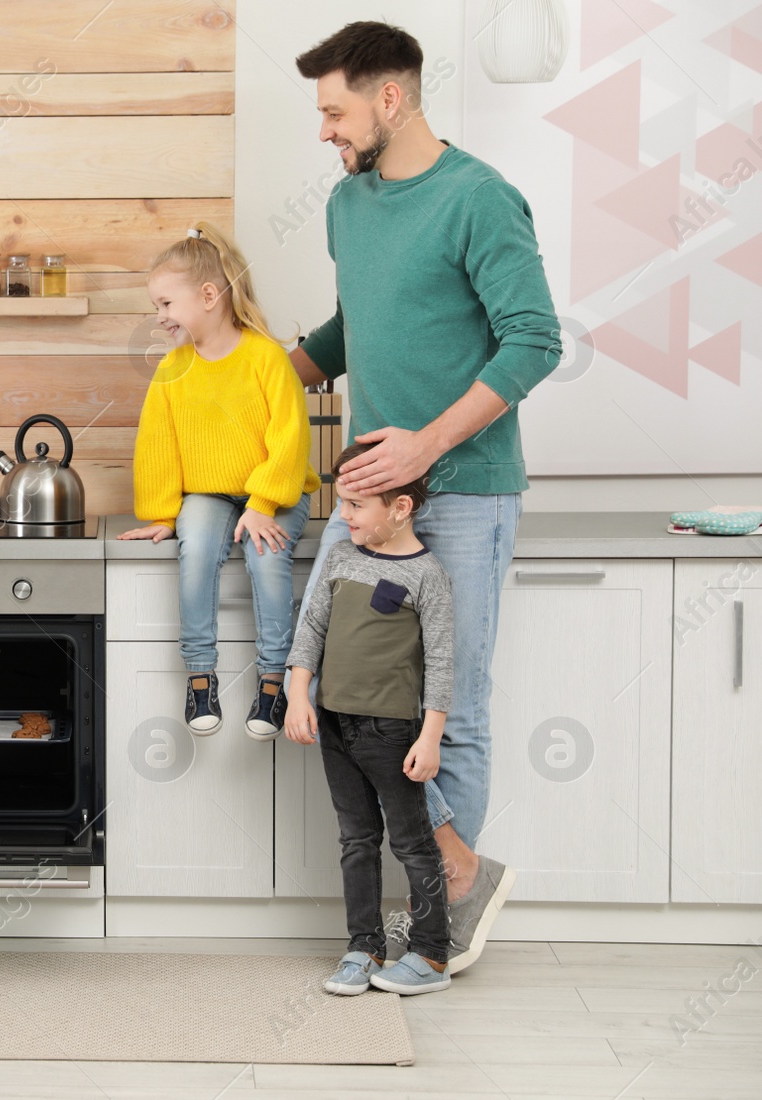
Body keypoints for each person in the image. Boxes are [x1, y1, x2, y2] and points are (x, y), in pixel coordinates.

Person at [288, 22, 559, 971]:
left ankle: (434, 923)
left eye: (334, 110)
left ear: (389, 99)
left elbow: (534, 342)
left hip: (466, 491)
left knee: (455, 704)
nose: (324, 130)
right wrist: (262, 374)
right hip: (370, 493)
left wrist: (425, 446)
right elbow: (354, 325)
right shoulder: (349, 204)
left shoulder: (481, 200)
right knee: (326, 679)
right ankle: (457, 867)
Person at [118, 222, 318, 738]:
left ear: (208, 295)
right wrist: (164, 515)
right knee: (197, 551)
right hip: (209, 494)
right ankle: (200, 676)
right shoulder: (172, 369)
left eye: (166, 304)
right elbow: (157, 446)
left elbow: (291, 438)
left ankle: (273, 681)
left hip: (274, 491)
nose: (159, 317)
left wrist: (264, 502)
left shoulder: (266, 358)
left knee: (266, 557)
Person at [285, 443, 453, 996]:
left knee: (413, 845)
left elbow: (442, 665)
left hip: (391, 732)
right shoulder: (339, 558)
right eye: (344, 503)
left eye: (356, 505)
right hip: (334, 723)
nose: (345, 515)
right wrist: (299, 695)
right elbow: (311, 629)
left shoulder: (428, 576)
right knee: (356, 839)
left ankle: (429, 956)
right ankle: (364, 948)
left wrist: (429, 738)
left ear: (400, 507)